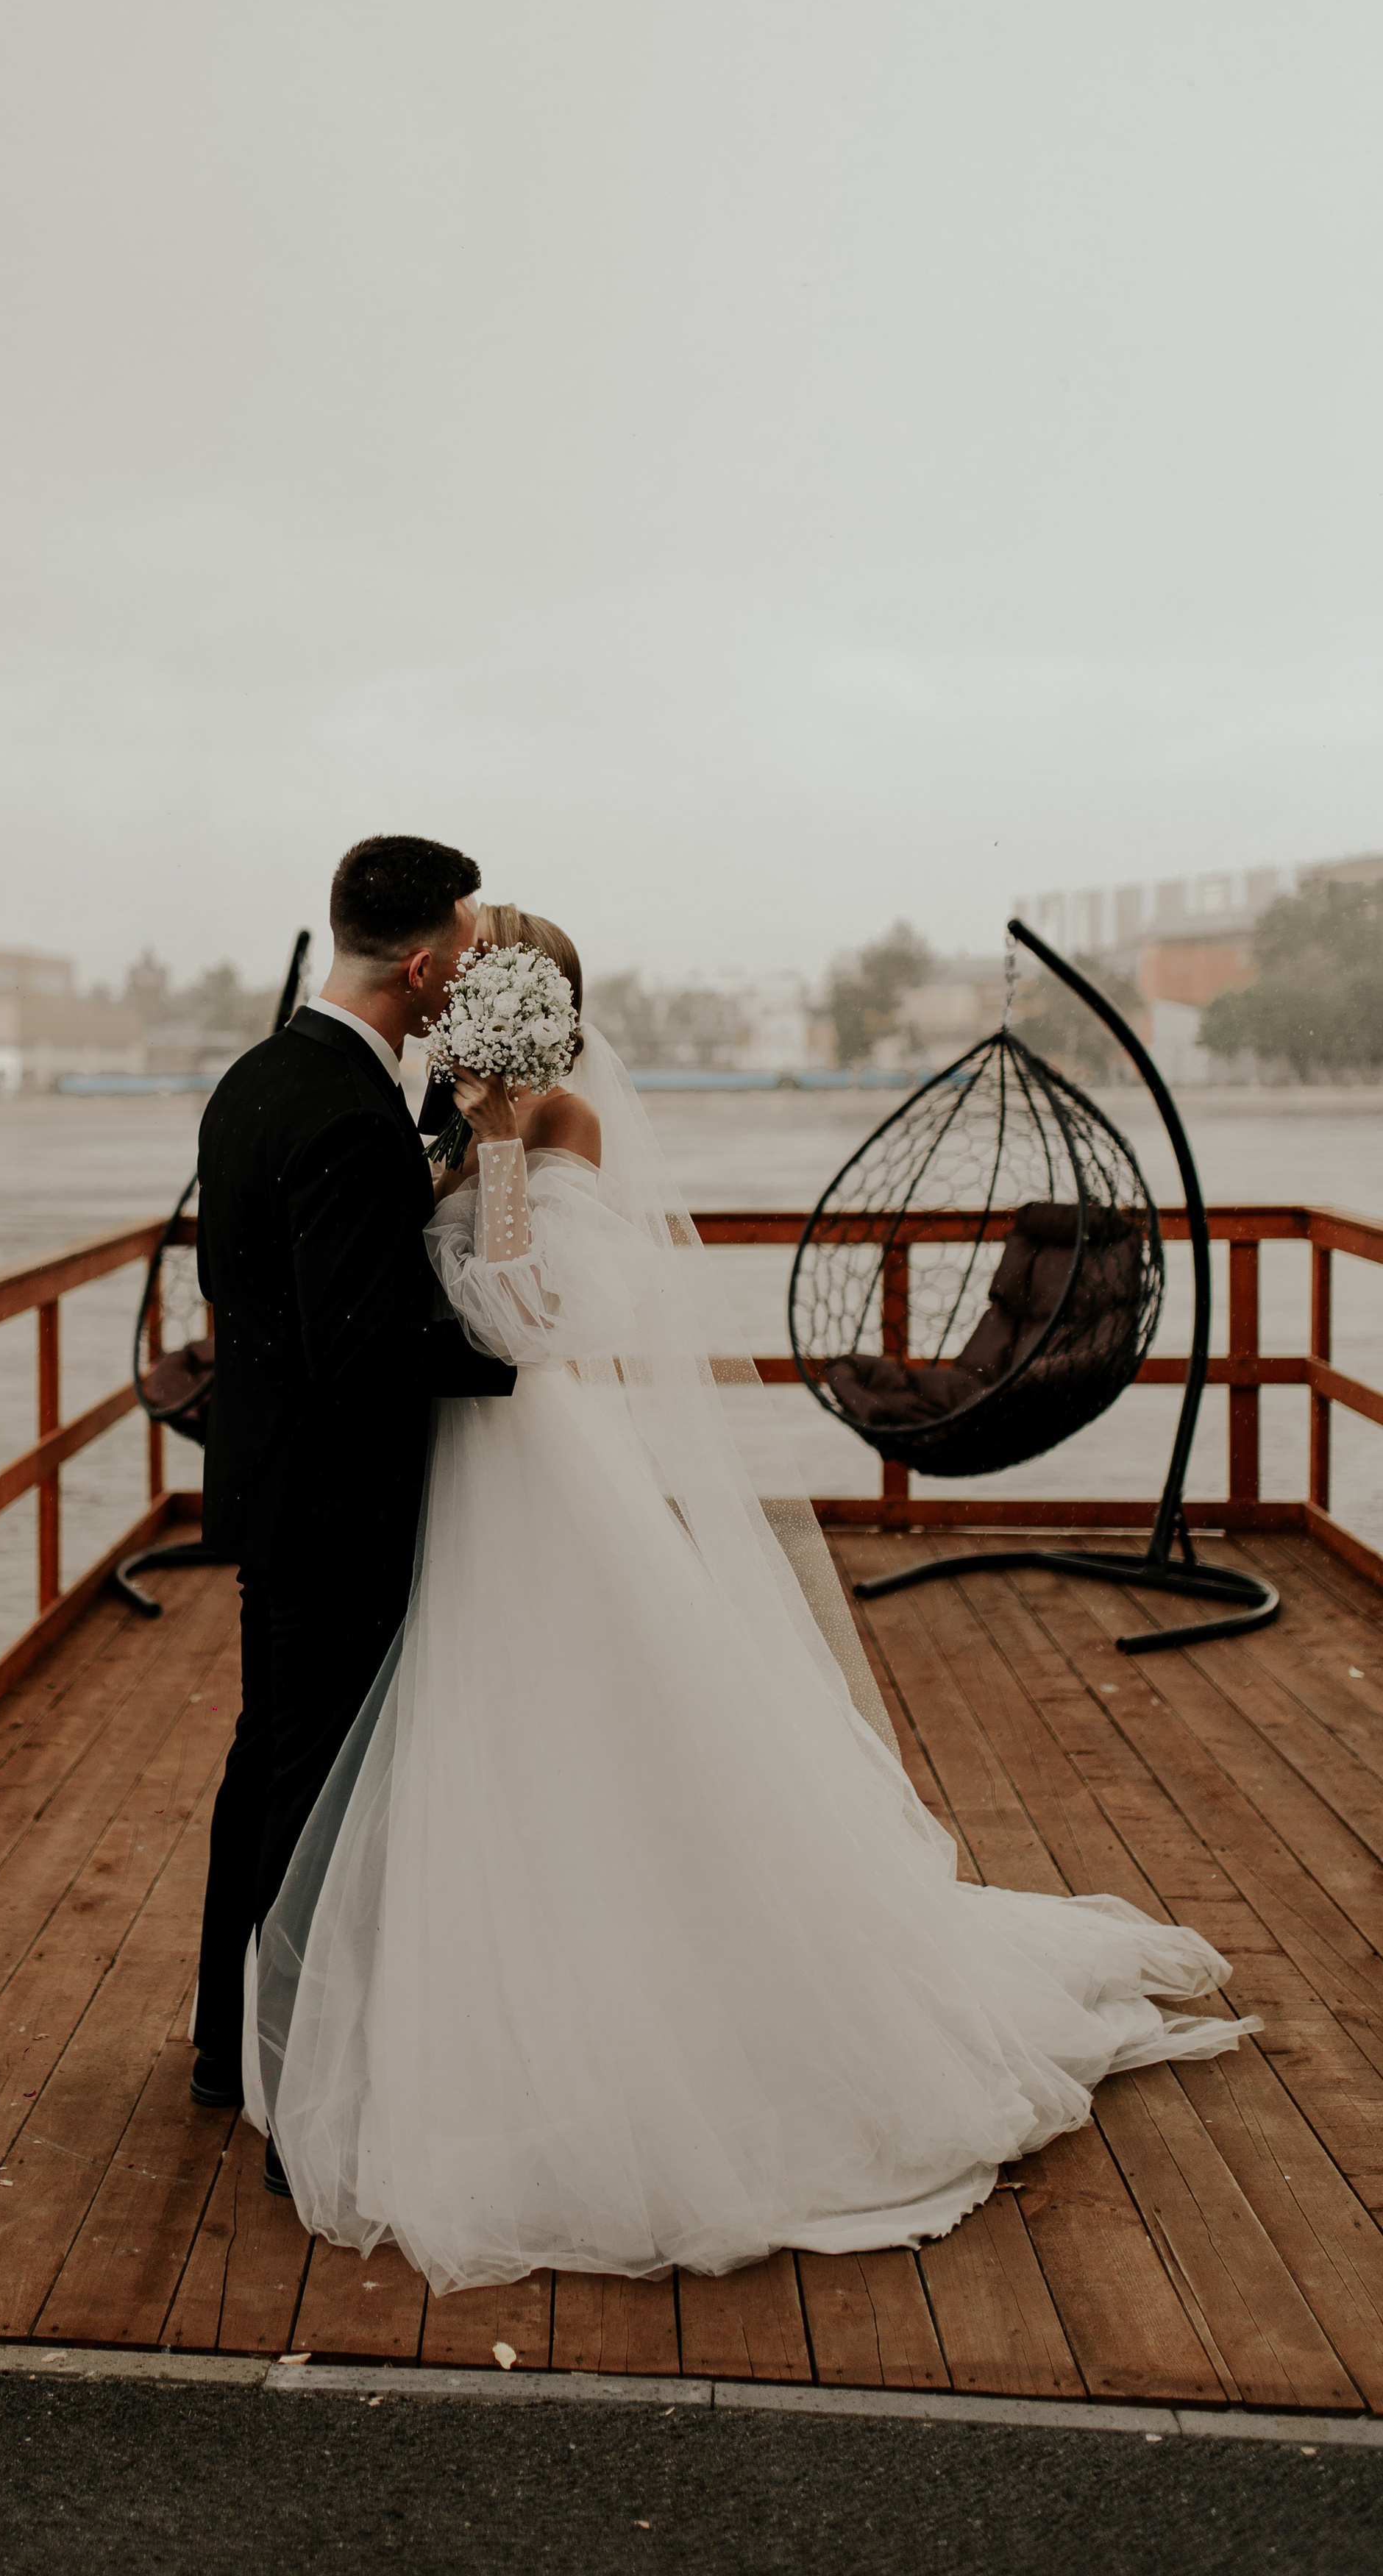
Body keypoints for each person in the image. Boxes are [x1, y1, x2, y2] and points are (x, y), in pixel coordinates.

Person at [249, 906, 1256, 2293]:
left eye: (479, 991)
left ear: (527, 1011)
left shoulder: (557, 1127)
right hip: (454, 1473)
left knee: (569, 1714)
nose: (453, 1010)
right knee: (485, 1741)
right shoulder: (444, 1114)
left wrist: (494, 1142)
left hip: (535, 1462)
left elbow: (551, 1322)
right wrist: (458, 1139)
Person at [189, 837, 517, 2166]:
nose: (473, 977)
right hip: (337, 1502)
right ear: (428, 965)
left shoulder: (257, 1077)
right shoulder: (345, 1113)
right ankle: (294, 2091)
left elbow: (234, 1277)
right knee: (322, 1785)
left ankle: (229, 2045)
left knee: (267, 1762)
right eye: (471, 952)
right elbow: (360, 1349)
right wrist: (506, 1359)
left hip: (270, 1480)